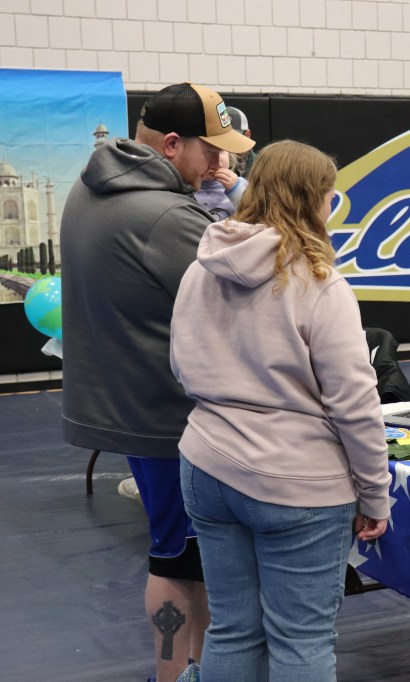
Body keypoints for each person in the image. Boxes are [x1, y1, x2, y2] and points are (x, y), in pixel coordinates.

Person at [170, 140, 392, 681]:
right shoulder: (319, 283)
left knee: (232, 629)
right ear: (314, 199)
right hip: (298, 484)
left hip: (206, 465)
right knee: (301, 640)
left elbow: (181, 365)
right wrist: (375, 494)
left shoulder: (201, 268)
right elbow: (355, 404)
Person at [60, 82, 255, 682]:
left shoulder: (91, 187)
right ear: (171, 145)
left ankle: (194, 673)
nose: (218, 164)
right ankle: (174, 678)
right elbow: (256, 290)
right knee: (177, 559)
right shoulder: (166, 215)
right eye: (211, 150)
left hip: (128, 401)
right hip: (169, 418)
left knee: (187, 559)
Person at [195, 150, 247, 219]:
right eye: (209, 152)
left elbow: (256, 213)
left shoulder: (241, 184)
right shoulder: (186, 188)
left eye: (221, 151)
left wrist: (236, 191)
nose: (217, 160)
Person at [226, 105, 257, 177]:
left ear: (247, 135)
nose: (226, 144)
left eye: (233, 138)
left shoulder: (261, 167)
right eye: (222, 138)